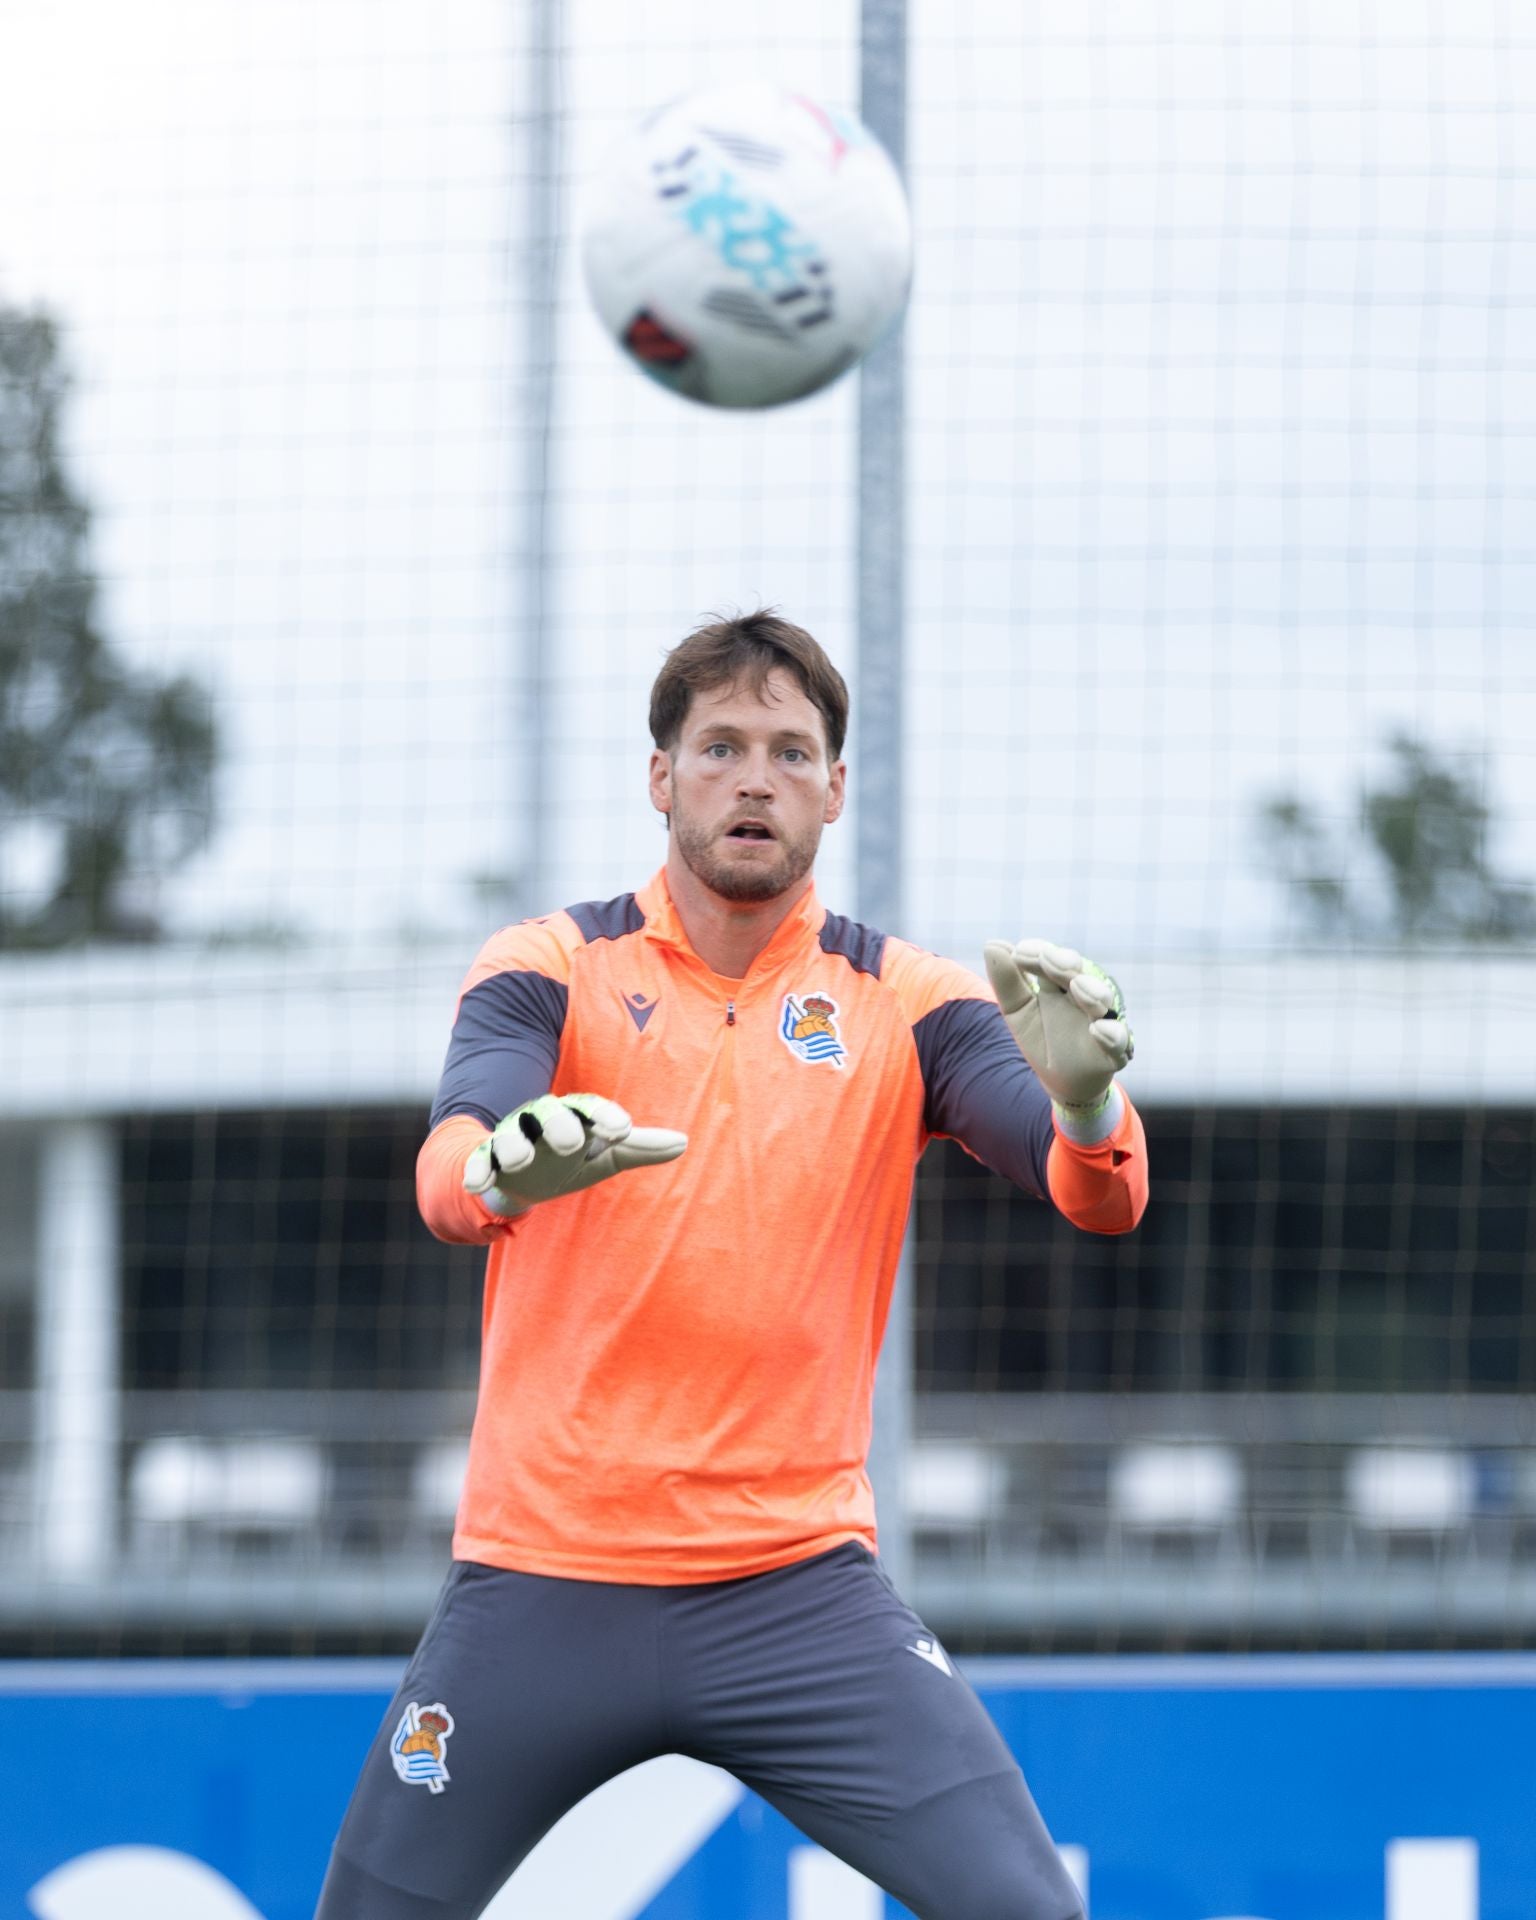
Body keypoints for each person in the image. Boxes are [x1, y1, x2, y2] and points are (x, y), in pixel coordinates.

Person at [316, 610, 1148, 1920]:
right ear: (662, 778)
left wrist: (1093, 1107)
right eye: (719, 746)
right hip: (541, 1583)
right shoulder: (549, 963)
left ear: (834, 787)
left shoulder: (910, 1000)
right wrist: (493, 1175)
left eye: (789, 750)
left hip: (798, 1594)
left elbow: (1090, 1191)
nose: (753, 777)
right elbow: (455, 1152)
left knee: (1035, 1913)